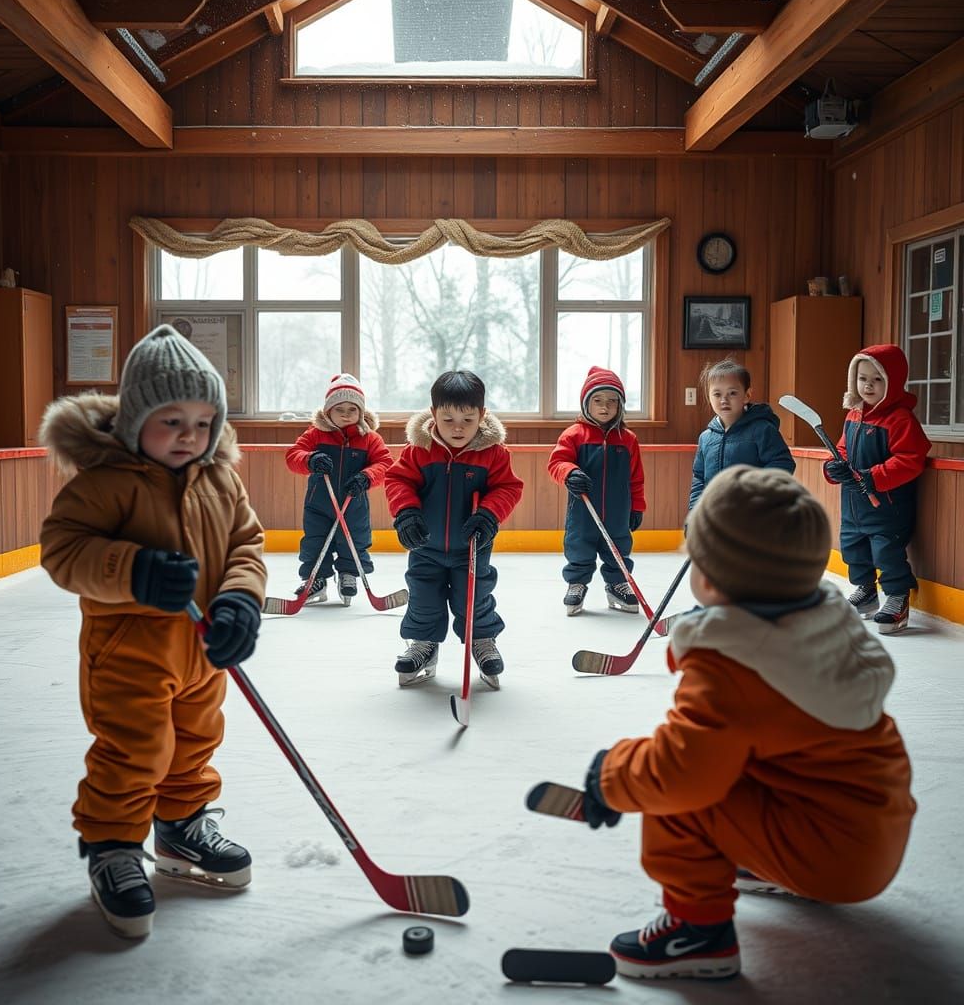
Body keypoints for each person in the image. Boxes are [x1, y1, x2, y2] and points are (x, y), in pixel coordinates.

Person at [578, 465, 915, 980]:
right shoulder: (826, 626)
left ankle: (699, 932)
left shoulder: (735, 667)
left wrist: (611, 774)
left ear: (708, 576)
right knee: (737, 760)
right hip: (871, 834)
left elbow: (679, 772)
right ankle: (763, 861)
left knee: (679, 800)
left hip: (829, 855)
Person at [39, 324, 267, 939]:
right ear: (136, 417)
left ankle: (182, 828)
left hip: (201, 651)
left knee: (195, 741)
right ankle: (112, 846)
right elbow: (64, 552)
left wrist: (241, 600)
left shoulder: (220, 477)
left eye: (202, 420)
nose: (189, 435)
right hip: (128, 654)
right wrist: (133, 570)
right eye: (171, 420)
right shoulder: (105, 483)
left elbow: (246, 543)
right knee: (134, 750)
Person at [384, 370, 523, 686]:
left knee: (474, 598)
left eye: (468, 419)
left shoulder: (493, 454)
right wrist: (406, 513)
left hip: (471, 548)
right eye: (448, 420)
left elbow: (508, 488)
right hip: (425, 546)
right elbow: (397, 480)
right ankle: (423, 643)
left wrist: (489, 515)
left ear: (482, 416)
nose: (457, 428)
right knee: (423, 596)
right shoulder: (419, 450)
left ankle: (482, 639)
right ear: (433, 414)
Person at [823, 344, 931, 634]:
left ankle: (897, 597)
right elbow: (843, 451)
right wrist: (834, 467)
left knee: (886, 552)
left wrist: (875, 477)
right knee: (853, 550)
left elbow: (911, 460)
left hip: (886, 506)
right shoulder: (854, 416)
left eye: (877, 379)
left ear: (893, 381)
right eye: (862, 378)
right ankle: (866, 592)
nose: (868, 385)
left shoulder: (900, 419)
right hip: (854, 507)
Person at [285, 374, 393, 605]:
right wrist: (311, 459)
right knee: (315, 540)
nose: (346, 414)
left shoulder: (370, 438)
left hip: (353, 502)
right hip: (319, 503)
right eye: (339, 408)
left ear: (361, 412)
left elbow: (385, 463)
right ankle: (317, 580)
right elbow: (293, 455)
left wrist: (366, 477)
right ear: (328, 411)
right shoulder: (315, 434)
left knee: (354, 540)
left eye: (352, 409)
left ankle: (348, 575)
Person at [547, 366, 646, 616]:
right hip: (583, 509)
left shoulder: (628, 439)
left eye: (612, 402)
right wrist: (570, 472)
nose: (605, 407)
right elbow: (556, 463)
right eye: (598, 401)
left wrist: (637, 507)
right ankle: (577, 583)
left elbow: (636, 477)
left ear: (620, 406)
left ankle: (617, 584)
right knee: (579, 545)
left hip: (618, 510)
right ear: (585, 404)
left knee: (619, 547)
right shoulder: (574, 435)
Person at [688, 358, 794, 509]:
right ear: (708, 397)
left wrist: (756, 493)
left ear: (747, 395)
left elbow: (783, 463)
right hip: (715, 516)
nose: (724, 400)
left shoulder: (762, 430)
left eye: (732, 393)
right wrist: (694, 517)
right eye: (717, 394)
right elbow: (699, 478)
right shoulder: (706, 438)